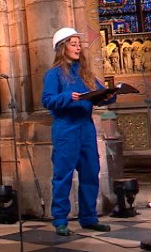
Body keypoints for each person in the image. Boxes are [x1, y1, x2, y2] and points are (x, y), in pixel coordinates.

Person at [41, 27, 114, 236]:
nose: (78, 47)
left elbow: (99, 91)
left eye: (78, 44)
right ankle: (61, 219)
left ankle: (89, 217)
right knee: (63, 176)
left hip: (86, 129)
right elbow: (47, 100)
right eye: (73, 44)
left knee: (91, 174)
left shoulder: (86, 73)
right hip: (66, 129)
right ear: (62, 48)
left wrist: (109, 96)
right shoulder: (54, 74)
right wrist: (67, 97)